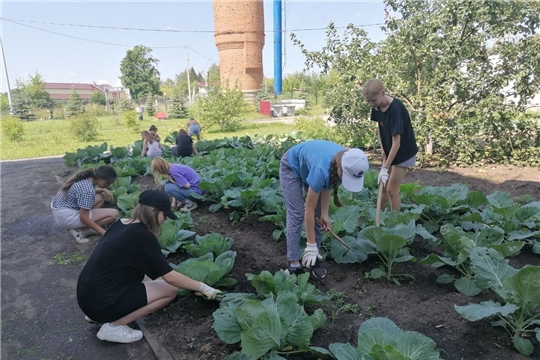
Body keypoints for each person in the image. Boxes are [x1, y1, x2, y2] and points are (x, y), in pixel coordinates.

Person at [77, 190, 222, 344]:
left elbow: (156, 271)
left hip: (88, 297)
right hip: (101, 304)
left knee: (149, 276)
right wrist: (203, 287)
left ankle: (100, 315)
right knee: (170, 290)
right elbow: (170, 277)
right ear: (153, 211)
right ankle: (114, 327)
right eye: (164, 215)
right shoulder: (143, 238)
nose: (164, 220)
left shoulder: (120, 224)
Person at [280, 140, 369, 279]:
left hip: (310, 167)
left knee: (319, 216)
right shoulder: (322, 169)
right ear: (341, 169)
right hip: (292, 166)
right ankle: (294, 264)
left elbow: (327, 186)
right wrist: (310, 244)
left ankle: (313, 259)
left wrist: (325, 214)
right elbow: (308, 209)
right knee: (296, 214)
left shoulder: (342, 166)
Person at [362, 78, 418, 212]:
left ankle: (395, 223)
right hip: (390, 151)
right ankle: (377, 217)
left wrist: (384, 169)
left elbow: (397, 142)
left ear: (383, 92)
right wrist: (382, 149)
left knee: (392, 190)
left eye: (373, 100)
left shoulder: (395, 109)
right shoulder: (377, 106)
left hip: (404, 152)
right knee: (383, 187)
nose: (370, 103)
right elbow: (380, 128)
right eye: (367, 101)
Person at [51, 166, 119, 244]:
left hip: (61, 210)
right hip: (66, 217)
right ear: (101, 178)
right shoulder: (87, 190)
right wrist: (105, 233)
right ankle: (77, 230)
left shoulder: (85, 178)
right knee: (114, 214)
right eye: (108, 182)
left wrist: (103, 190)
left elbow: (82, 193)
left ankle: (82, 224)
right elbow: (83, 218)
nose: (109, 185)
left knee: (101, 196)